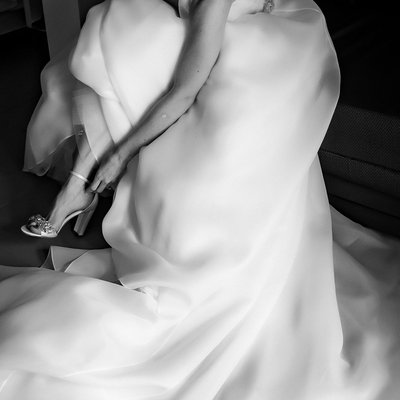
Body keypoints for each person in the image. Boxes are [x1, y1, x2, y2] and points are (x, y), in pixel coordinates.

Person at [1, 0, 400, 399]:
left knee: (130, 39)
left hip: (276, 52)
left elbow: (184, 91)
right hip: (232, 27)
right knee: (117, 24)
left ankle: (100, 197)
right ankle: (77, 188)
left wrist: (121, 155)